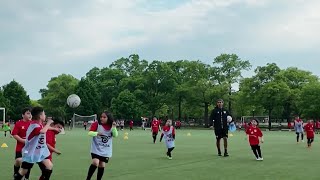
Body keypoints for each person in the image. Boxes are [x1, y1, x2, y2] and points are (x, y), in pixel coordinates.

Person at [14, 106, 53, 180]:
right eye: (44, 114)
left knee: (49, 166)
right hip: (30, 152)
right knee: (23, 171)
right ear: (40, 116)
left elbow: (43, 129)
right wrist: (48, 123)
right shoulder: (34, 125)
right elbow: (42, 131)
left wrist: (54, 128)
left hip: (39, 151)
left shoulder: (39, 124)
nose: (45, 115)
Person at [86, 111, 118, 180]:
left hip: (106, 149)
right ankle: (88, 178)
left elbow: (115, 135)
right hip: (96, 148)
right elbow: (89, 133)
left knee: (102, 164)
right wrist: (96, 133)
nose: (102, 118)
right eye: (101, 117)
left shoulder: (111, 126)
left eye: (104, 117)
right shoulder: (96, 124)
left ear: (108, 118)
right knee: (95, 162)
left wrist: (114, 127)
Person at [11, 107, 32, 179]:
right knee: (18, 161)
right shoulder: (19, 123)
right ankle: (15, 172)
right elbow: (14, 134)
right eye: (28, 113)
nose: (30, 115)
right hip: (20, 148)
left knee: (27, 163)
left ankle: (26, 178)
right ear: (23, 115)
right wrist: (22, 140)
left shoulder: (33, 123)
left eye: (30, 113)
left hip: (29, 148)